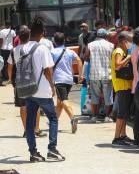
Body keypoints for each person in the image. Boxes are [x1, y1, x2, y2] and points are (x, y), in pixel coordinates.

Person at [25, 17, 65, 162]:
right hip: (42, 90)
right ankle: (52, 149)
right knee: (53, 119)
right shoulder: (43, 48)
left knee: (30, 124)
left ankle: (33, 153)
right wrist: (52, 86)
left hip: (28, 90)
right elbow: (48, 70)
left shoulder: (23, 47)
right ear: (42, 33)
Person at [7, 25, 47, 138]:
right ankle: (36, 129)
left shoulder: (14, 50)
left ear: (19, 37)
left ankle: (26, 130)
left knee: (23, 107)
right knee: (36, 106)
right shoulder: (34, 47)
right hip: (33, 80)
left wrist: (11, 80)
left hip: (19, 81)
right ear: (29, 36)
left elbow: (10, 67)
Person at [52, 32, 83, 134]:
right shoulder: (70, 51)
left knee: (63, 100)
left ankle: (72, 118)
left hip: (59, 80)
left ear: (54, 41)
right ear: (64, 41)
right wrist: (80, 75)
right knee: (60, 102)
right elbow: (79, 60)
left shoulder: (52, 52)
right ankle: (54, 122)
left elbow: (48, 67)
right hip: (69, 80)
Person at [84, 28, 114, 123]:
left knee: (95, 96)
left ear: (97, 35)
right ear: (105, 36)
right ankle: (107, 117)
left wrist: (92, 60)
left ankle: (94, 117)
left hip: (94, 74)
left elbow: (85, 57)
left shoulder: (91, 45)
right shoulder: (111, 45)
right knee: (108, 96)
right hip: (107, 74)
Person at [111, 31, 134, 146]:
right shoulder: (119, 51)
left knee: (124, 113)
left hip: (125, 85)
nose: (131, 44)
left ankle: (123, 135)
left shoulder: (120, 50)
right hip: (122, 85)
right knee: (122, 113)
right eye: (130, 41)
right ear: (124, 42)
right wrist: (129, 57)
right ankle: (116, 138)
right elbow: (117, 65)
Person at [0, 21, 16, 85]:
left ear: (5, 25)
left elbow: (1, 41)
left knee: (3, 63)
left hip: (3, 49)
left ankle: (5, 76)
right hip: (11, 49)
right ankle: (10, 76)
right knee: (10, 63)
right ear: (10, 25)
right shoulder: (12, 31)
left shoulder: (1, 31)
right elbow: (14, 40)